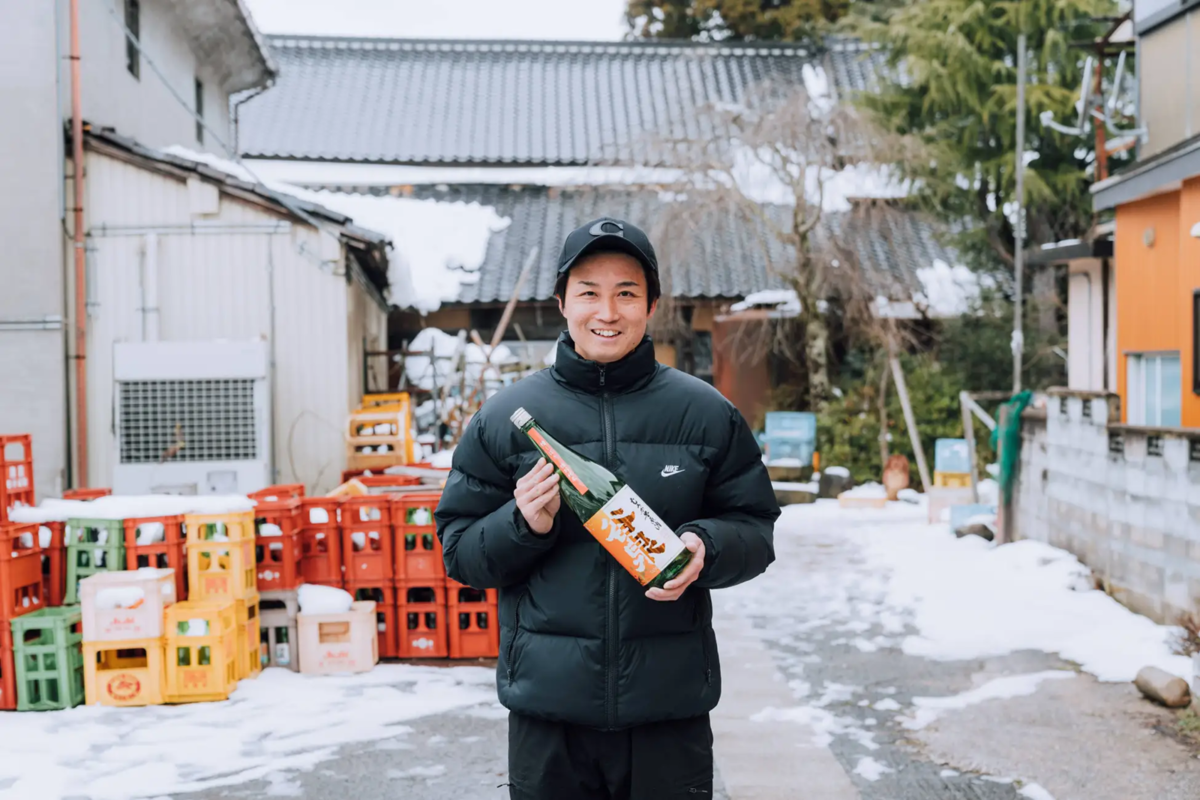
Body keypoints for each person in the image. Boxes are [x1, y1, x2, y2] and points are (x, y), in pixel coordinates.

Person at [435, 217, 780, 800]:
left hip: (668, 715)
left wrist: (705, 547)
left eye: (626, 293)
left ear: (650, 305)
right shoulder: (507, 419)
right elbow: (459, 550)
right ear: (563, 302)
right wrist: (523, 525)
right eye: (589, 292)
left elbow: (755, 527)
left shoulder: (705, 414)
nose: (607, 311)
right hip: (550, 719)